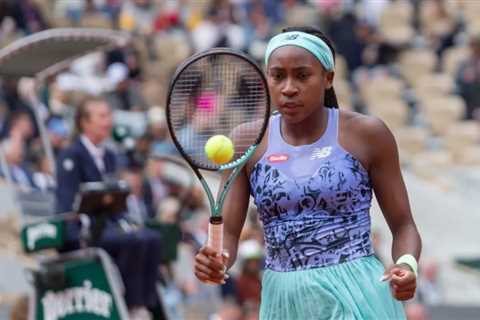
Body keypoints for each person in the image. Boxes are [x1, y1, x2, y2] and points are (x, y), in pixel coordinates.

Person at [194, 26, 422, 319]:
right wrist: (216, 260)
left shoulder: (368, 134)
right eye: (278, 76)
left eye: (302, 75)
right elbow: (227, 234)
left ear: (328, 78)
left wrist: (406, 264)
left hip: (360, 293)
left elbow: (404, 226)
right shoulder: (246, 140)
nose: (288, 87)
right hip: (284, 299)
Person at [55, 96, 163, 319]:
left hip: (109, 227)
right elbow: (66, 205)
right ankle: (130, 305)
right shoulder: (71, 155)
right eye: (102, 116)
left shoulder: (110, 155)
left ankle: (144, 304)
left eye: (109, 115)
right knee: (132, 240)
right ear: (84, 122)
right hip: (85, 233)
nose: (108, 121)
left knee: (152, 237)